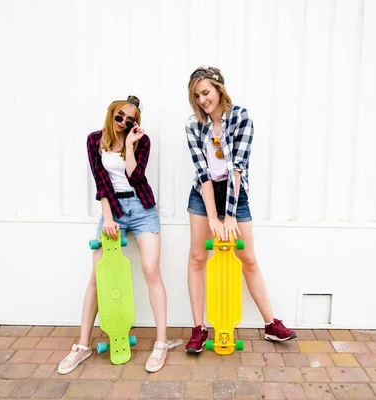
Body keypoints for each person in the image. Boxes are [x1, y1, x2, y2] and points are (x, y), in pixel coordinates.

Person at [184, 66, 297, 353]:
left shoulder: (241, 117)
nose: (202, 100)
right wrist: (212, 216)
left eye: (206, 92)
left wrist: (230, 215)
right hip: (204, 193)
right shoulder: (193, 125)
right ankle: (199, 328)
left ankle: (271, 324)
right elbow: (203, 173)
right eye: (196, 95)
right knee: (198, 257)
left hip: (235, 192)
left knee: (247, 257)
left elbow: (237, 168)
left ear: (219, 89)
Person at [57, 95, 169, 374]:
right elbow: (101, 180)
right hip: (113, 208)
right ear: (111, 114)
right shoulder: (94, 140)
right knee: (98, 276)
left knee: (151, 271)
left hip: (142, 208)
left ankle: (161, 343)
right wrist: (108, 217)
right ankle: (82, 346)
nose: (123, 123)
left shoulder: (141, 140)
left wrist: (130, 144)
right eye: (119, 117)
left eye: (129, 120)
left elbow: (136, 175)